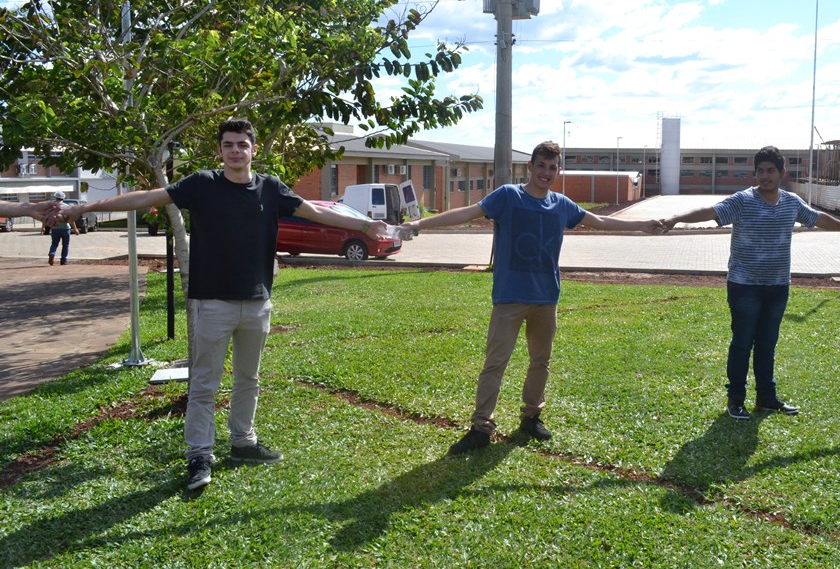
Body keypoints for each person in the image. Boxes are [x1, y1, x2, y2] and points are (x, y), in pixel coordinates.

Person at [60, 118, 389, 490]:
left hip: (257, 302)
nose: (235, 151)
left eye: (242, 145)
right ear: (220, 150)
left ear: (253, 150)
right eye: (228, 145)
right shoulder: (202, 184)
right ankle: (199, 456)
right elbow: (146, 197)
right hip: (212, 303)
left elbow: (316, 211)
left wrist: (364, 226)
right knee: (204, 384)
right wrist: (85, 208)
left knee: (249, 379)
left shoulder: (271, 188)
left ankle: (243, 442)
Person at [401, 141, 662, 455]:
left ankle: (531, 417)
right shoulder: (508, 196)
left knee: (541, 362)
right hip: (509, 297)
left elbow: (601, 221)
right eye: (541, 166)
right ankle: (481, 427)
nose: (546, 173)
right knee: (495, 363)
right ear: (530, 167)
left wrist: (643, 225)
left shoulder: (561, 205)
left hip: (546, 298)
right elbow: (468, 213)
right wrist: (419, 224)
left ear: (558, 171)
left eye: (552, 168)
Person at [662, 146, 840, 420]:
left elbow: (818, 218)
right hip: (744, 286)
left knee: (767, 344)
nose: (765, 176)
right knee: (742, 343)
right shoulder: (743, 200)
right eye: (760, 171)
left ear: (782, 173)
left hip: (778, 286)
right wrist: (675, 219)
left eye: (770, 170)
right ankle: (736, 399)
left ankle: (766, 398)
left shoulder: (791, 202)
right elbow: (710, 211)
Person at [43, 191, 79, 265]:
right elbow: (71, 219)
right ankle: (63, 260)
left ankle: (52, 253)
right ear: (63, 198)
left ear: (55, 197)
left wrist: (43, 227)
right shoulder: (67, 207)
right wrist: (75, 229)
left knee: (54, 244)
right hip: (65, 228)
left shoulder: (52, 207)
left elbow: (46, 218)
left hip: (55, 228)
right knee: (65, 245)